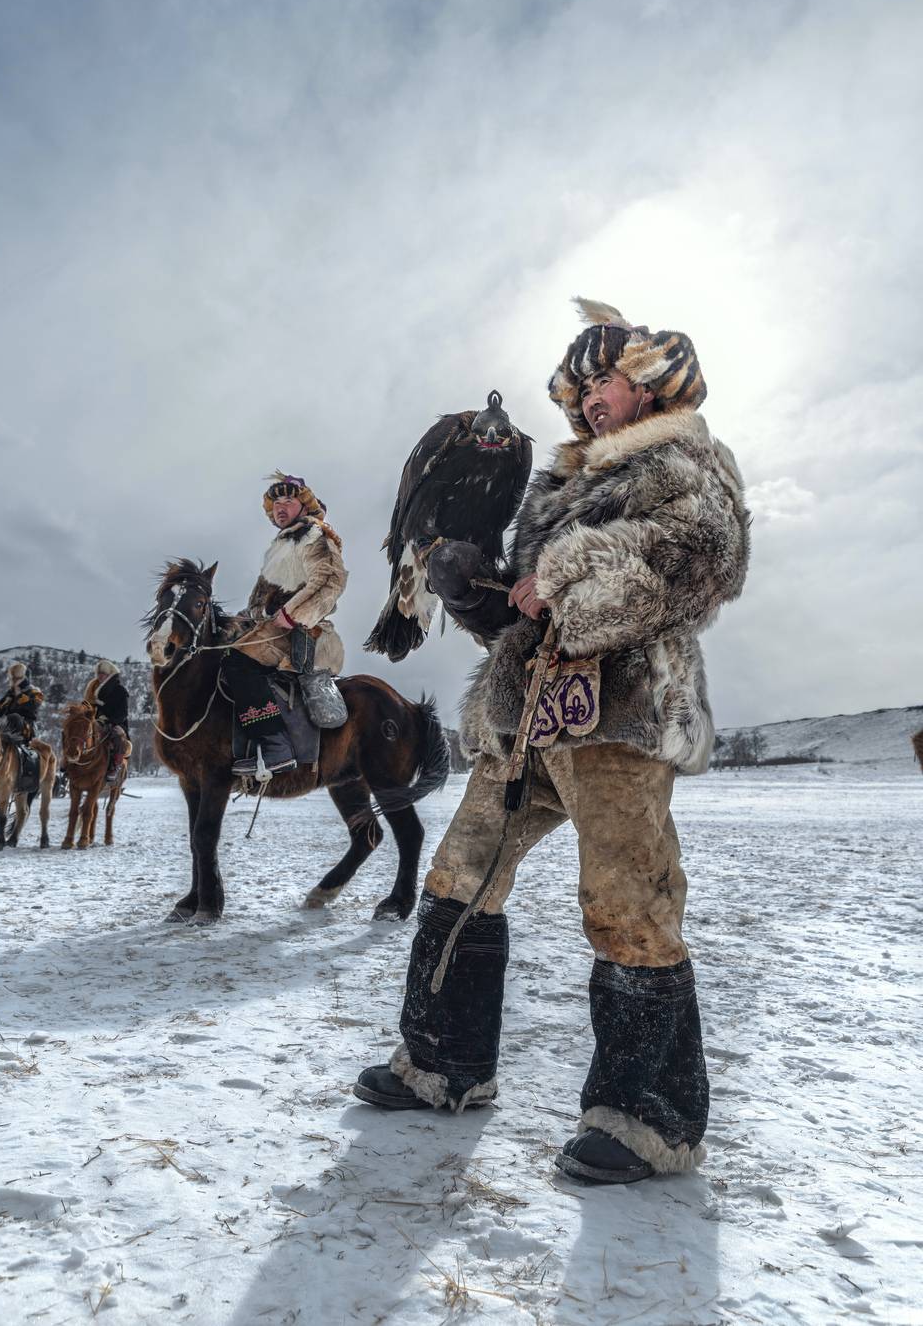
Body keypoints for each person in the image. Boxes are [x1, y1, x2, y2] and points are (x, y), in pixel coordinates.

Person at [353, 299, 750, 1187]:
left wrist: (562, 575)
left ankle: (649, 1120)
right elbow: (522, 612)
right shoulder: (559, 484)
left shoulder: (686, 461)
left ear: (649, 382)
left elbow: (698, 557)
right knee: (460, 873)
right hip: (530, 711)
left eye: (599, 381)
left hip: (624, 710)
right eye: (574, 388)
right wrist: (474, 590)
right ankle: (444, 1066)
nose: (584, 401)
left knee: (625, 899)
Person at [226, 473, 347, 781]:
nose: (280, 507)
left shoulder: (313, 535)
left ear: (303, 504)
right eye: (276, 502)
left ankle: (275, 745)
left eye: (288, 500)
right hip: (274, 628)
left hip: (300, 632)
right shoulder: (283, 543)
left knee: (238, 664)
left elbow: (330, 581)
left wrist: (294, 614)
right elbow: (262, 600)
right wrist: (243, 618)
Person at [83, 659, 133, 783]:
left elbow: (123, 713)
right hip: (96, 722)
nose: (100, 676)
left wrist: (109, 720)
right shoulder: (94, 689)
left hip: (116, 723)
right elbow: (88, 705)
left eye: (103, 674)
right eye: (99, 673)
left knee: (117, 737)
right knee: (78, 734)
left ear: (109, 675)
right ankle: (74, 763)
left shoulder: (120, 690)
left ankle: (115, 766)